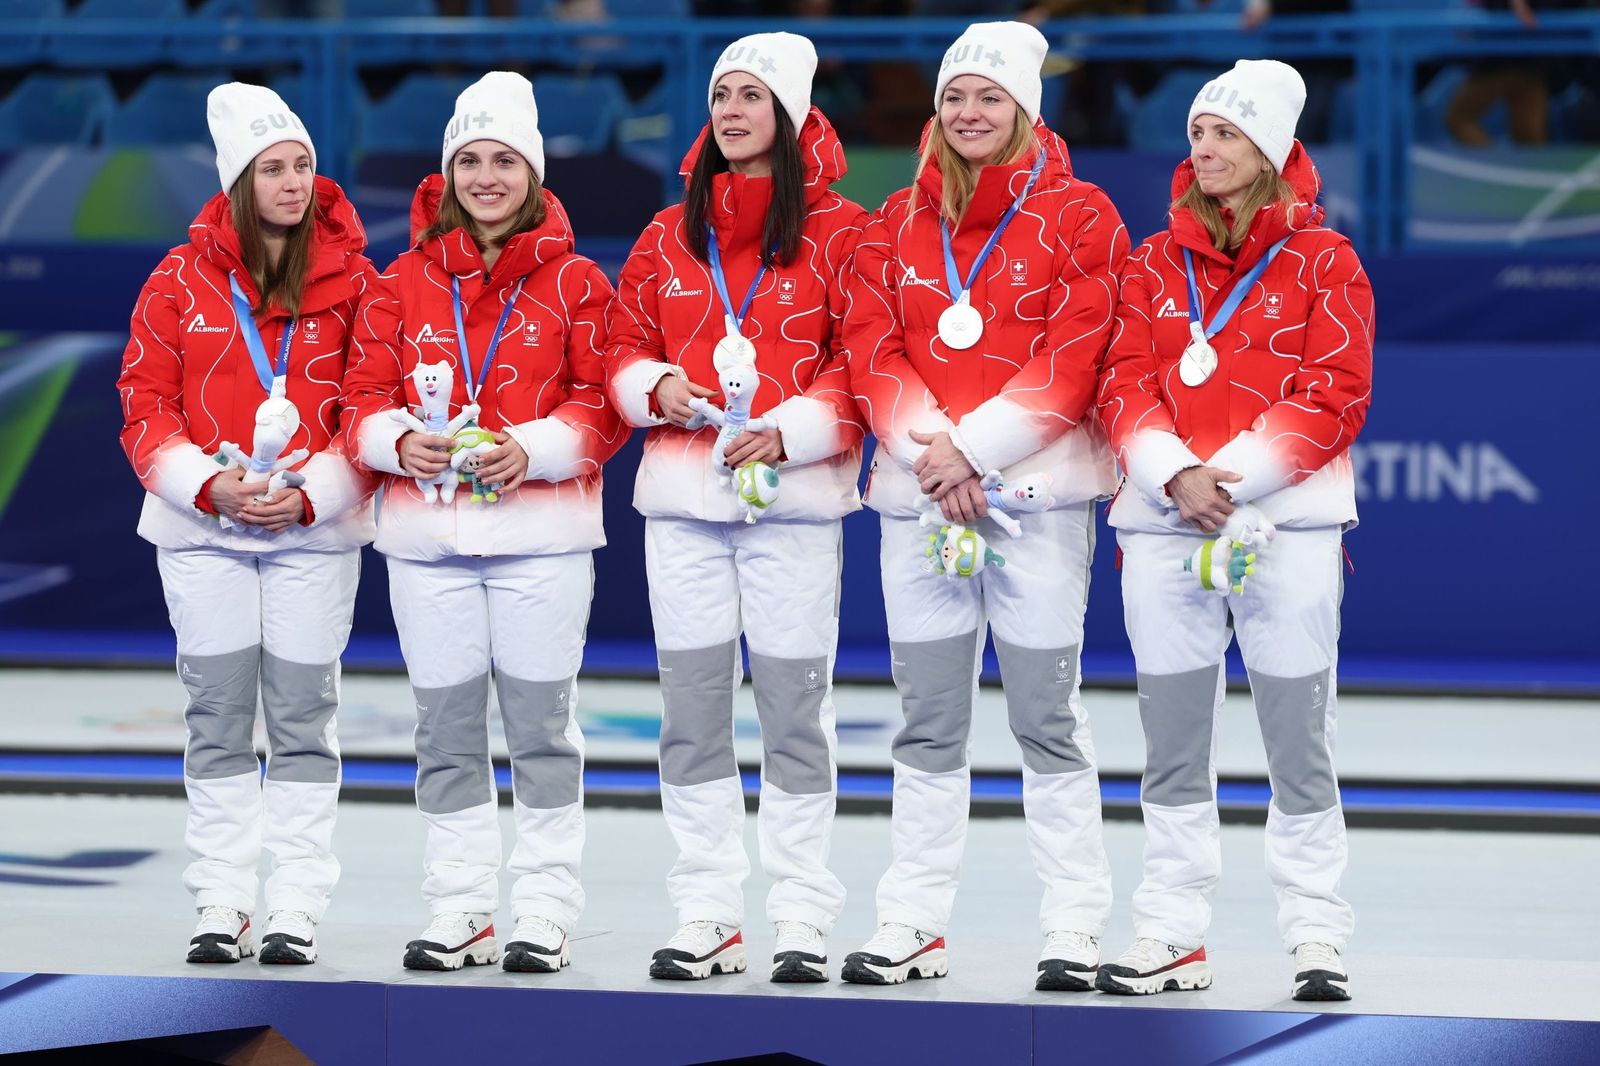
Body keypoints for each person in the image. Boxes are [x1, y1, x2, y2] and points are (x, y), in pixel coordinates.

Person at [840, 21, 1125, 990]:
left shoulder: (1083, 216)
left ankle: (1074, 924)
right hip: (922, 502)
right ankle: (910, 921)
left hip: (1032, 503)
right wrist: (936, 455)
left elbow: (1076, 353)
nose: (967, 112)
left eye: (988, 97)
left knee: (1047, 716)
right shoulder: (891, 222)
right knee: (926, 721)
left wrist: (973, 447)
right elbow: (870, 350)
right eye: (954, 96)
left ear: (1024, 111)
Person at [1095, 59, 1373, 1001]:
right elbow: (1122, 380)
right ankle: (1171, 932)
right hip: (1168, 526)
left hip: (1285, 531)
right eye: (1199, 134)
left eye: (1226, 135)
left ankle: (1316, 935)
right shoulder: (1148, 261)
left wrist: (1235, 478)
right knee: (1174, 740)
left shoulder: (1326, 261)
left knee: (1301, 736)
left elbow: (1334, 393)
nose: (1205, 150)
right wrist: (1176, 472)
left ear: (1271, 151)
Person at [342, 72, 624, 975]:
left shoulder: (579, 280)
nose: (487, 176)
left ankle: (543, 909)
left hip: (540, 540)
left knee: (543, 729)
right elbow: (359, 400)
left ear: (534, 174)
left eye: (505, 160)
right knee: (446, 731)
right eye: (470, 160)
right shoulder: (399, 282)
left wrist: (531, 450)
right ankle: (459, 906)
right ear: (447, 174)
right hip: (429, 545)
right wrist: (397, 443)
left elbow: (602, 403)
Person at [605, 32, 867, 983]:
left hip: (791, 508)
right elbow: (621, 344)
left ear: (790, 115)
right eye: (721, 94)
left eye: (752, 95)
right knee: (693, 715)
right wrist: (657, 384)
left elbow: (863, 359)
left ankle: (801, 912)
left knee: (796, 712)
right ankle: (707, 912)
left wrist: (791, 431)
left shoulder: (844, 231)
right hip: (683, 504)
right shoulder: (665, 234)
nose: (732, 109)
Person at [117, 83, 377, 966]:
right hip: (202, 538)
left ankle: (296, 902)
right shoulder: (176, 281)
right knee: (218, 716)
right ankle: (222, 898)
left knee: (303, 717)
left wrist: (313, 493)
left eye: (303, 164)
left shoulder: (358, 282)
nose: (294, 182)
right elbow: (144, 404)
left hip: (313, 537)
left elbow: (369, 410)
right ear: (239, 181)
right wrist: (206, 486)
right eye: (273, 168)